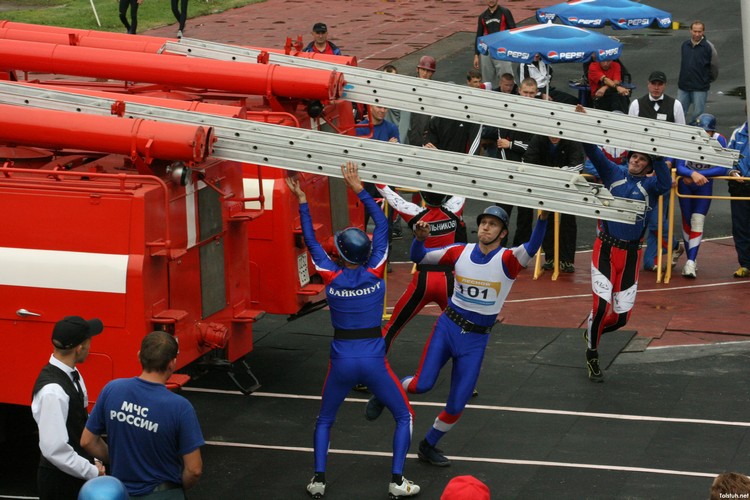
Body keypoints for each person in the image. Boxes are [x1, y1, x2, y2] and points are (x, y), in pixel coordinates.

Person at [367, 205, 549, 466]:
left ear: (503, 232)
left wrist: (542, 217)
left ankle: (428, 445)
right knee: (422, 385)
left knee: (456, 406)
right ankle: (385, 392)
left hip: (475, 341)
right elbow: (419, 257)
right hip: (448, 328)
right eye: (483, 222)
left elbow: (533, 244)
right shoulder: (459, 252)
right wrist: (419, 239)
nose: (485, 227)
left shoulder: (510, 260)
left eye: (492, 224)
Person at [286, 162, 419, 499]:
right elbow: (383, 224)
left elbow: (310, 239)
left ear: (340, 252)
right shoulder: (375, 271)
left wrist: (302, 199)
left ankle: (318, 479)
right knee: (404, 415)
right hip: (374, 360)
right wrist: (360, 189)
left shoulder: (330, 275)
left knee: (325, 419)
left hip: (341, 360)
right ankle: (397, 480)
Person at [576, 104, 672, 382]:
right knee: (601, 307)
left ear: (648, 166)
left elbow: (665, 182)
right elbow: (593, 151)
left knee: (620, 319)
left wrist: (657, 151)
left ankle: (592, 331)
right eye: (634, 156)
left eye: (642, 159)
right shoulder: (613, 173)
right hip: (605, 248)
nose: (636, 161)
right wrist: (583, 125)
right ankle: (593, 355)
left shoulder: (652, 187)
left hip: (631, 256)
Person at [81, 331, 204, 498]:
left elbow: (87, 441)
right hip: (163, 493)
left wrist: (121, 459)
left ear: (139, 356)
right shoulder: (180, 407)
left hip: (120, 492)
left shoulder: (113, 389)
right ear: (172, 364)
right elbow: (194, 470)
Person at [375, 186, 466, 352]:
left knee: (392, 327)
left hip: (423, 280)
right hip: (448, 280)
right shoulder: (455, 209)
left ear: (422, 194)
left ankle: (371, 365)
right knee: (461, 331)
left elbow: (392, 197)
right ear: (446, 196)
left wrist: (376, 179)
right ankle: (464, 370)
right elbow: (465, 186)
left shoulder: (416, 214)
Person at [31, 316, 106, 500]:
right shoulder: (53, 391)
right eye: (89, 342)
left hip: (74, 472)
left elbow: (79, 423)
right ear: (79, 348)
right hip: (60, 482)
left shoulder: (72, 373)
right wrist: (92, 471)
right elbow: (55, 449)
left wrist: (94, 459)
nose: (90, 347)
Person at [629, 70, 685, 271]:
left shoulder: (675, 105)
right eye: (653, 83)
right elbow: (631, 136)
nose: (656, 86)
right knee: (643, 216)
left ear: (665, 85)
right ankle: (670, 248)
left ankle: (655, 258)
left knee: (658, 219)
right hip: (642, 171)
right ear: (647, 84)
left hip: (663, 172)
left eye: (660, 83)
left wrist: (672, 165)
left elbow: (681, 137)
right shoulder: (636, 104)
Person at [676, 113, 738, 278]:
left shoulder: (719, 140)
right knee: (686, 220)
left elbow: (722, 167)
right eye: (701, 131)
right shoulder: (687, 138)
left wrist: (700, 175)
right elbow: (679, 165)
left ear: (712, 132)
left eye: (708, 132)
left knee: (698, 220)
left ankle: (691, 261)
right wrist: (692, 174)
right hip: (686, 184)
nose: (704, 135)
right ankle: (691, 259)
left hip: (704, 184)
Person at [483, 78, 536, 246]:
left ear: (536, 93)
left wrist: (511, 144)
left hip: (527, 173)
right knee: (501, 212)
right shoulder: (507, 111)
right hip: (507, 170)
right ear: (519, 91)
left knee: (526, 215)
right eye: (526, 92)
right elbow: (499, 138)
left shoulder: (539, 115)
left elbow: (534, 147)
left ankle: (521, 251)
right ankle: (498, 247)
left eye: (532, 93)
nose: (528, 97)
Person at [523, 134, 584, 273]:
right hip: (546, 184)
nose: (554, 137)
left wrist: (561, 172)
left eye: (558, 134)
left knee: (568, 219)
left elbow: (579, 164)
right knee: (546, 218)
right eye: (551, 134)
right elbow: (528, 161)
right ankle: (550, 257)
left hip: (569, 183)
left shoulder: (572, 140)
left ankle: (567, 260)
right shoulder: (538, 139)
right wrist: (547, 173)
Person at [677, 21, 719, 124]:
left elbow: (714, 67)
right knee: (679, 112)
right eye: (694, 31)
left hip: (700, 87)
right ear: (690, 31)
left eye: (699, 31)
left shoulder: (709, 47)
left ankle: (693, 133)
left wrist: (706, 80)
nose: (697, 34)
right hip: (684, 86)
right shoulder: (685, 45)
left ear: (703, 31)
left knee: (698, 114)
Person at [728, 111, 750, 278]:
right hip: (740, 186)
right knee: (740, 225)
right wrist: (732, 171)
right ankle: (745, 264)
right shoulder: (738, 133)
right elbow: (727, 157)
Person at [474, 0, 516, 85]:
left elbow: (513, 30)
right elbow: (479, 36)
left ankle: (511, 96)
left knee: (507, 79)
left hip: (502, 50)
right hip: (487, 51)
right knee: (486, 81)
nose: (491, 0)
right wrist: (476, 55)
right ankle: (487, 96)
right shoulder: (482, 16)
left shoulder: (505, 12)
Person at [405, 55, 437, 146]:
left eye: (428, 71)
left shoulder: (435, 91)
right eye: (423, 70)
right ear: (417, 69)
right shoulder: (408, 87)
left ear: (432, 73)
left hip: (425, 139)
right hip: (408, 136)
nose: (425, 73)